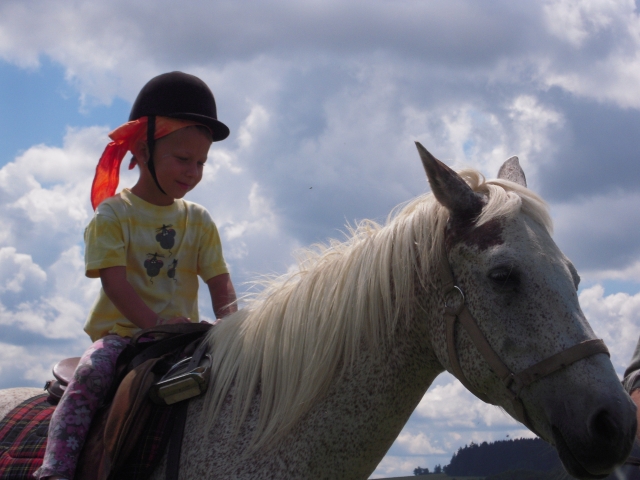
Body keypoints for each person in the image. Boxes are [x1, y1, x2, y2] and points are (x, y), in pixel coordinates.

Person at [34, 71, 238, 480]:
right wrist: (156, 325)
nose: (193, 171)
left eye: (201, 162)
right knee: (90, 378)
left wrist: (233, 328)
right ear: (144, 152)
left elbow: (219, 283)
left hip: (185, 337)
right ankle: (56, 468)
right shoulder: (113, 214)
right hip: (124, 337)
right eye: (183, 159)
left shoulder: (199, 220)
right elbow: (115, 283)